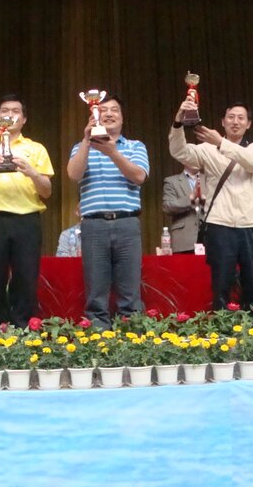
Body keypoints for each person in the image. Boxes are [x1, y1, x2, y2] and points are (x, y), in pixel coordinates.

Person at [0, 94, 54, 333]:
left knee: (26, 279)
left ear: (24, 119)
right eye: (5, 111)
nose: (10, 115)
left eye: (16, 111)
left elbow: (46, 191)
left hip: (27, 221)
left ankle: (23, 332)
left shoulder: (36, 148)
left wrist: (32, 172)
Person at [169, 97, 253, 310]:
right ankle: (222, 325)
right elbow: (179, 152)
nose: (235, 122)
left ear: (249, 124)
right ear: (223, 121)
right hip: (219, 225)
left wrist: (221, 143)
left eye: (241, 118)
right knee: (221, 284)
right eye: (230, 117)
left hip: (252, 225)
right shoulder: (207, 149)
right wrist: (178, 122)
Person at [67, 94, 148, 329]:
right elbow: (73, 174)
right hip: (93, 225)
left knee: (130, 293)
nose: (109, 114)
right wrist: (86, 140)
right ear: (94, 115)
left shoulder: (135, 146)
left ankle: (132, 341)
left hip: (127, 223)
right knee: (96, 294)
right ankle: (98, 342)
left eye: (115, 110)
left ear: (122, 118)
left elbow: (139, 176)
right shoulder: (80, 147)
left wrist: (112, 152)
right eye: (103, 110)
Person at [162, 166, 206, 254]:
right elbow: (167, 206)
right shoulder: (172, 181)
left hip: (210, 237)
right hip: (183, 240)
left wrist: (205, 200)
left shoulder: (210, 179)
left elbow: (221, 205)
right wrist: (191, 197)